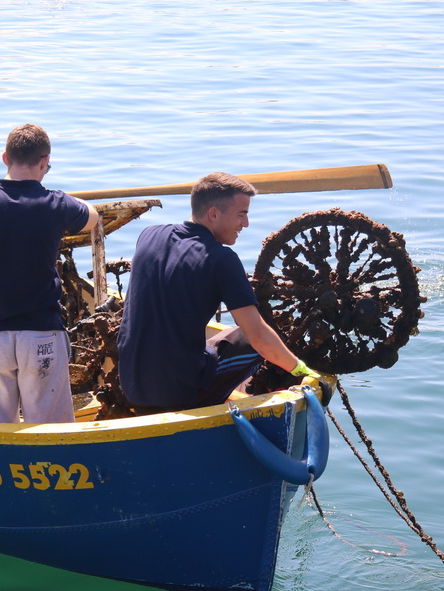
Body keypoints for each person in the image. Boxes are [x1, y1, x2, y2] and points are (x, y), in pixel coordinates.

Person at [0, 124, 99, 423]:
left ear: (4, 158)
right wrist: (62, 199)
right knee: (51, 432)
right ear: (44, 162)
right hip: (42, 335)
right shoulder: (55, 203)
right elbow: (92, 217)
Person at [116, 172, 320, 413]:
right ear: (213, 213)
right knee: (255, 340)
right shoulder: (221, 259)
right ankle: (206, 405)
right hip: (176, 394)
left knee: (226, 337)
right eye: (241, 214)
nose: (245, 224)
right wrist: (301, 370)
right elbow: (258, 337)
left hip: (131, 384)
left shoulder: (149, 235)